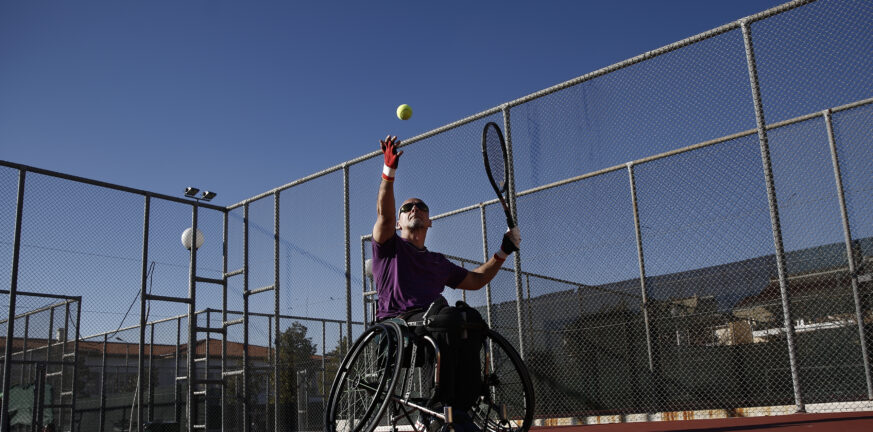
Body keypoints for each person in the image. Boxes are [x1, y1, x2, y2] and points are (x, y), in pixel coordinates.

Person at [371, 135, 521, 431]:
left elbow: (476, 280)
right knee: (448, 319)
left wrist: (503, 251)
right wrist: (388, 173)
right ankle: (435, 411)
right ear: (400, 222)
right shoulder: (388, 245)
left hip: (436, 320)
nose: (413, 208)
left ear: (430, 222)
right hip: (397, 325)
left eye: (421, 207)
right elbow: (384, 214)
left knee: (472, 319)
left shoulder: (438, 261)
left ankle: (461, 409)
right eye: (407, 208)